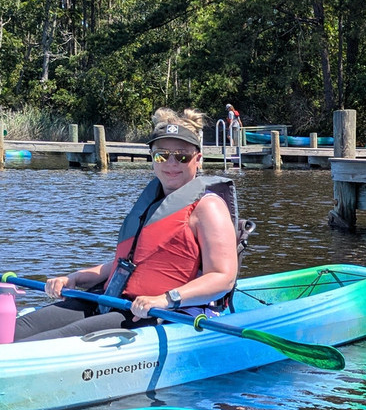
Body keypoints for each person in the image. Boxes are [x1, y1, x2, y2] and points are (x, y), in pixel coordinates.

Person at [14, 108, 241, 342]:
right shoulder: (152, 202)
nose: (171, 163)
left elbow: (223, 277)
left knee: (52, 339)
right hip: (115, 298)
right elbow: (126, 264)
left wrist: (166, 299)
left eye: (182, 156)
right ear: (152, 158)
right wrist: (74, 279)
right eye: (162, 155)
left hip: (161, 311)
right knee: (20, 327)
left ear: (198, 159)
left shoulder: (208, 207)